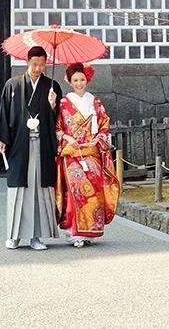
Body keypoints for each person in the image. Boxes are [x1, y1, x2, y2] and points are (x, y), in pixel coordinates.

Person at [0, 45, 62, 250]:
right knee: (18, 188)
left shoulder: (52, 87)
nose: (38, 68)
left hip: (42, 143)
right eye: (34, 64)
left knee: (39, 190)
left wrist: (52, 106)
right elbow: (4, 113)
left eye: (42, 65)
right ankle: (14, 235)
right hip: (19, 144)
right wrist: (2, 139)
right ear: (27, 62)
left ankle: (36, 237)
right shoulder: (12, 85)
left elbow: (58, 118)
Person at [55, 62, 120, 246]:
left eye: (82, 79)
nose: (79, 83)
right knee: (77, 190)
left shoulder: (95, 102)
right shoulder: (63, 103)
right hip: (73, 153)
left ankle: (90, 231)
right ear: (69, 81)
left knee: (95, 189)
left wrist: (98, 139)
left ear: (87, 79)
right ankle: (75, 232)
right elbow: (58, 127)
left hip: (91, 152)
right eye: (75, 80)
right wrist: (68, 138)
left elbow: (104, 124)